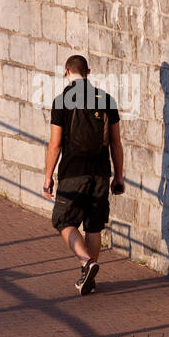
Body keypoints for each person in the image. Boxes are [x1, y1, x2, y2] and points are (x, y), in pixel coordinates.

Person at [43, 54, 125, 295]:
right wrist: (118, 177)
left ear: (66, 72)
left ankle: (87, 263)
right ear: (88, 71)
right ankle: (89, 277)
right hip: (100, 172)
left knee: (63, 220)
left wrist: (48, 177)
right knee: (93, 226)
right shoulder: (107, 100)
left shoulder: (61, 101)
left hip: (72, 172)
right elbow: (116, 144)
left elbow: (55, 145)